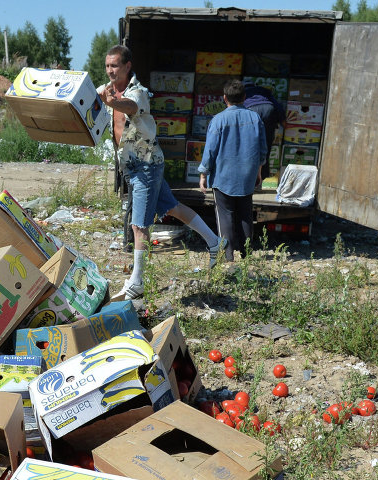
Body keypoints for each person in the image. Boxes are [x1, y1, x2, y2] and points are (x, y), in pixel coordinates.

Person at [99, 45, 226, 300]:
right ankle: (215, 242)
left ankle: (137, 282)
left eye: (114, 65)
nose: (110, 70)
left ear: (127, 66)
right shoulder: (106, 91)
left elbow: (131, 107)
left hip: (146, 165)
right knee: (173, 207)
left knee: (140, 224)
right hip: (131, 165)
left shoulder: (138, 92)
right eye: (107, 66)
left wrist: (113, 101)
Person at [199, 79, 268, 263]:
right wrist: (259, 172)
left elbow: (210, 151)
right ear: (244, 97)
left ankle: (228, 257)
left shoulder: (218, 120)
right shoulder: (255, 118)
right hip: (247, 177)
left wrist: (203, 174)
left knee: (225, 217)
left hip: (223, 177)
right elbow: (262, 150)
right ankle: (246, 255)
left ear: (224, 98)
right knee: (245, 215)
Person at [243, 81, 282, 180]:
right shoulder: (264, 90)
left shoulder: (242, 91)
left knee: (249, 145)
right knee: (266, 144)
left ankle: (250, 178)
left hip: (251, 109)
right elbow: (277, 105)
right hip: (269, 109)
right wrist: (282, 120)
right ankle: (262, 178)